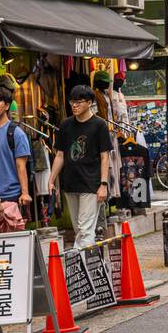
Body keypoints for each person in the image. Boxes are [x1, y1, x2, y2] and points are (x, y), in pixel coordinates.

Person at [52, 84, 112, 248]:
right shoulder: (65, 125)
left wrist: (103, 184)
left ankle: (81, 261)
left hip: (91, 184)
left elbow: (105, 157)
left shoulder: (99, 125)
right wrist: (51, 180)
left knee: (85, 229)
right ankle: (87, 260)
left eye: (78, 102)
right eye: (72, 102)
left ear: (89, 103)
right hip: (70, 183)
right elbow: (60, 155)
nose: (74, 105)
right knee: (78, 228)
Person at [0, 86, 31, 232]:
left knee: (11, 239)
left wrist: (25, 193)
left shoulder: (16, 133)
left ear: (7, 105)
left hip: (11, 195)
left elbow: (21, 165)